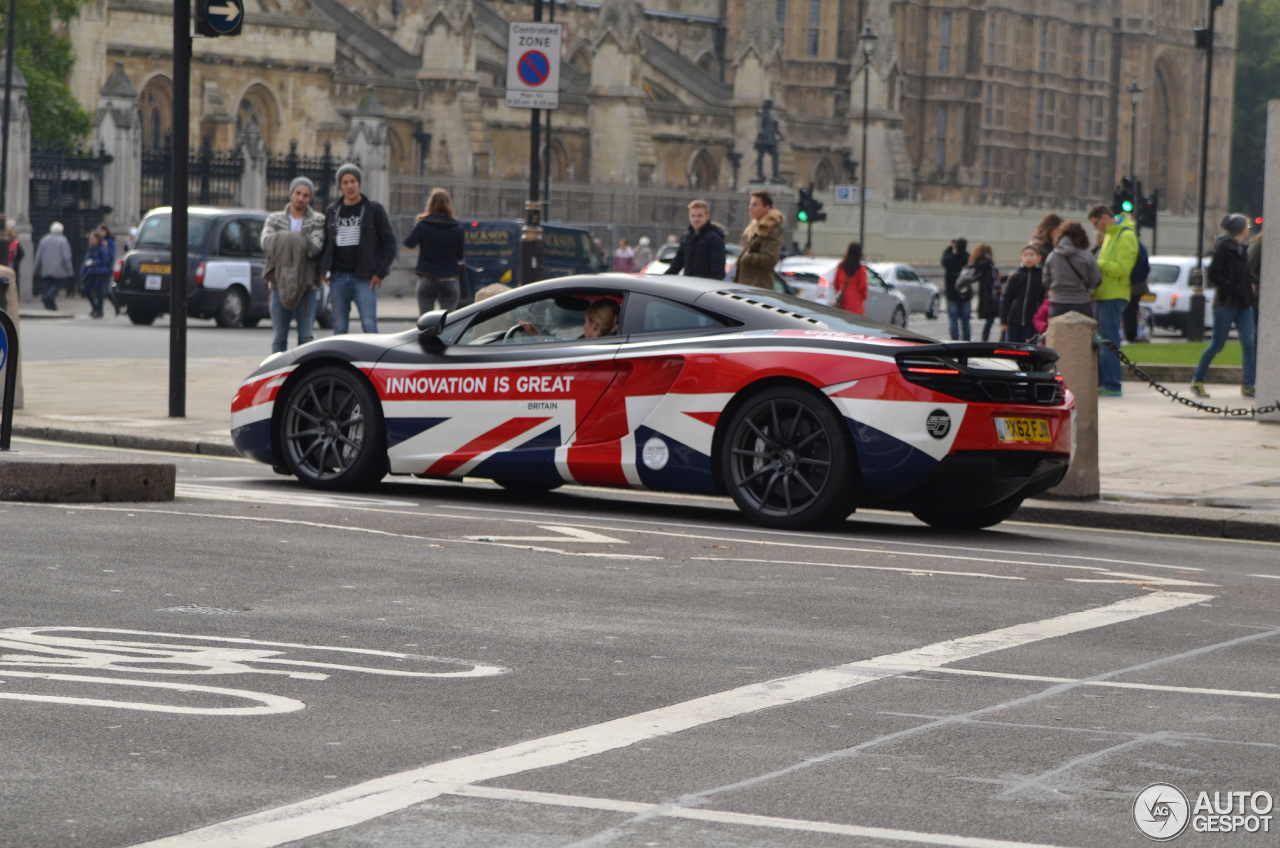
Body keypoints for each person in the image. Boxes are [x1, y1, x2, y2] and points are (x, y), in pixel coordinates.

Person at [318, 162, 397, 336]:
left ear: (359, 183)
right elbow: (326, 243)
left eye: (353, 181)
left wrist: (380, 272)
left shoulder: (373, 209)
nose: (349, 186)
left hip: (364, 278)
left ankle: (372, 362)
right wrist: (323, 269)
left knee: (369, 326)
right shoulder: (333, 211)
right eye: (345, 182)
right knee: (339, 328)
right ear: (340, 186)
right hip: (337, 278)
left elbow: (390, 243)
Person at [1191, 214, 1258, 399]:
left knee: (1249, 343)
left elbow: (1244, 272)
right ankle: (1197, 380)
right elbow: (1213, 274)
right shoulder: (1224, 247)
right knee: (1217, 345)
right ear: (1239, 228)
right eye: (1246, 225)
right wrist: (1233, 288)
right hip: (1226, 304)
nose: (1249, 227)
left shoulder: (1242, 248)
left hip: (1243, 303)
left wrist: (1251, 281)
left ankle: (1249, 385)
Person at [262, 176, 326, 354]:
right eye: (298, 193)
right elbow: (266, 243)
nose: (301, 198)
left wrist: (283, 239)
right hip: (278, 285)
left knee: (306, 337)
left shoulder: (318, 220)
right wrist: (300, 238)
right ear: (291, 194)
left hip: (306, 287)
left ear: (310, 198)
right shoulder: (274, 219)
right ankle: (277, 376)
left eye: (306, 195)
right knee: (279, 337)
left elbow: (315, 248)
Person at [1088, 204, 1137, 396]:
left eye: (1095, 223)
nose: (1095, 228)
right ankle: (1103, 381)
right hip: (1104, 293)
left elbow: (1123, 268)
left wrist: (1098, 264)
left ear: (1104, 218)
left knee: (1108, 341)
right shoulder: (1110, 235)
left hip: (1114, 294)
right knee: (1101, 342)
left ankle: (1112, 384)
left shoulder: (1125, 236)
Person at [404, 187, 465, 315]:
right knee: (448, 323)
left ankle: (427, 335)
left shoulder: (423, 225)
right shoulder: (457, 228)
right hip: (449, 278)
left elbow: (409, 243)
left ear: (430, 203)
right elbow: (460, 255)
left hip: (427, 277)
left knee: (426, 322)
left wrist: (418, 224)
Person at [1043, 221, 1100, 321]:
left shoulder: (1052, 256)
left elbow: (1045, 281)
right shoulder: (1086, 255)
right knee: (1083, 335)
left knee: (1058, 336)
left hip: (1058, 303)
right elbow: (1095, 280)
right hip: (1082, 303)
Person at [734, 189, 784, 290]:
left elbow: (770, 259)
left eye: (755, 205)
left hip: (759, 287)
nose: (750, 207)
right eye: (750, 204)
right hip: (745, 285)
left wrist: (747, 257)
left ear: (766, 208)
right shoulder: (752, 228)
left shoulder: (770, 229)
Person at [665, 199, 726, 281]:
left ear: (707, 217)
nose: (696, 219)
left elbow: (718, 271)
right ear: (689, 216)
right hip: (689, 284)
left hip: (705, 287)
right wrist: (663, 279)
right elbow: (677, 264)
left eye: (700, 216)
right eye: (693, 216)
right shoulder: (686, 237)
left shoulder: (715, 239)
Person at [1000, 244, 1045, 344]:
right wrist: (1003, 320)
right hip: (1014, 320)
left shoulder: (1042, 276)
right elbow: (1007, 298)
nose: (1028, 257)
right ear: (1021, 258)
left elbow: (1043, 299)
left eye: (1032, 255)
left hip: (1032, 321)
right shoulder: (1016, 276)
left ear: (1039, 258)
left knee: (1029, 349)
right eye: (1025, 255)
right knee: (1012, 348)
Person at [520, 298, 619, 340]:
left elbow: (557, 360)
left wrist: (535, 336)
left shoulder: (591, 350)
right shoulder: (606, 344)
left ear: (595, 325)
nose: (584, 327)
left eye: (586, 322)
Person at [34, 222, 74, 310]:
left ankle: (51, 305)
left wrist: (35, 268)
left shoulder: (44, 239)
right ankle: (47, 298)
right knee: (58, 285)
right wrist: (70, 270)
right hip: (59, 269)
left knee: (49, 286)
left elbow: (38, 256)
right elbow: (66, 257)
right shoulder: (63, 240)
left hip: (46, 268)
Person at [940, 238, 970, 341]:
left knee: (953, 320)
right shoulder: (967, 259)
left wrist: (949, 247)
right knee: (966, 320)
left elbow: (943, 260)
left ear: (955, 247)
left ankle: (955, 340)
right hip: (965, 294)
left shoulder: (950, 259)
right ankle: (967, 340)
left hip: (952, 294)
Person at [971, 244, 1002, 341]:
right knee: (993, 316)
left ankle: (988, 335)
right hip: (989, 296)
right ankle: (987, 335)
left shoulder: (989, 265)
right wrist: (987, 258)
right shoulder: (981, 263)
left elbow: (996, 280)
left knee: (993, 317)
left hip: (994, 294)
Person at [80, 230, 113, 318]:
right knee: (86, 289)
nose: (92, 240)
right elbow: (86, 261)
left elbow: (106, 261)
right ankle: (95, 307)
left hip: (101, 272)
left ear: (98, 239)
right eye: (91, 238)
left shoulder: (102, 249)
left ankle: (100, 311)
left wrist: (95, 262)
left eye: (93, 238)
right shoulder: (91, 249)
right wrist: (82, 272)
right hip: (92, 272)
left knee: (99, 292)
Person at [833, 241, 867, 315]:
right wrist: (862, 297)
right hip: (855, 304)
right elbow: (863, 286)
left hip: (842, 303)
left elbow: (836, 283)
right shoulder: (860, 269)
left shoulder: (841, 267)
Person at [96, 224, 120, 315]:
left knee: (104, 290)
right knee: (102, 290)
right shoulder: (99, 241)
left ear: (105, 231)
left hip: (107, 268)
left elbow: (112, 255)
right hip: (99, 268)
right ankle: (116, 305)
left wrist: (106, 247)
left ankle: (100, 310)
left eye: (100, 231)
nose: (99, 233)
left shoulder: (109, 241)